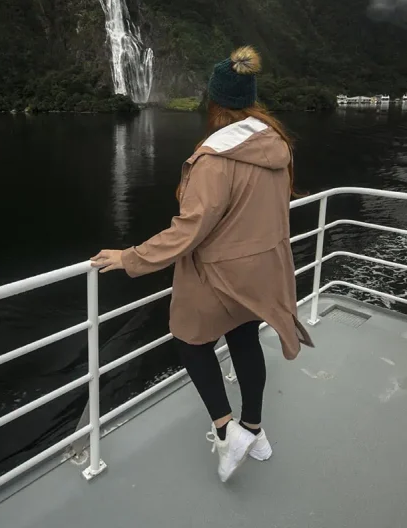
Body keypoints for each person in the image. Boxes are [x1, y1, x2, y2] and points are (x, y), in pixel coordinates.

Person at [91, 45, 313, 483]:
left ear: (214, 103)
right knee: (246, 338)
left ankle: (227, 429)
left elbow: (189, 231)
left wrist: (129, 257)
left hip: (218, 273)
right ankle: (255, 430)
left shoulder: (215, 160)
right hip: (261, 270)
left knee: (191, 342)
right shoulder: (275, 145)